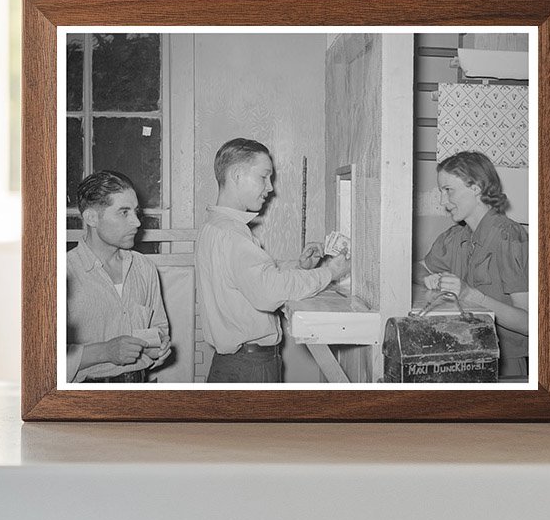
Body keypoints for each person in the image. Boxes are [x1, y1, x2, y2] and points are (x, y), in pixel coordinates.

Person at [196, 138, 350, 383]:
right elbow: (269, 292)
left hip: (230, 364)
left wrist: (299, 267)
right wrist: (330, 272)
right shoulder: (233, 234)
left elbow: (248, 278)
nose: (270, 188)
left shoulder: (215, 227)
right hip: (250, 367)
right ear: (236, 175)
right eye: (263, 177)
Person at [417, 150, 529, 379]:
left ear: (476, 187)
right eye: (441, 191)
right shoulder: (453, 237)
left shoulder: (509, 237)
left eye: (448, 190)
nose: (442, 201)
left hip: (506, 365)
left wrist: (471, 295)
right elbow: (415, 267)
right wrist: (427, 278)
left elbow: (529, 324)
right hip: (463, 354)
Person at [65, 170, 170, 384]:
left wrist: (158, 346)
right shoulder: (62, 273)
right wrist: (105, 352)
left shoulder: (144, 268)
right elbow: (45, 358)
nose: (137, 222)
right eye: (124, 212)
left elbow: (159, 328)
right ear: (91, 217)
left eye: (135, 212)